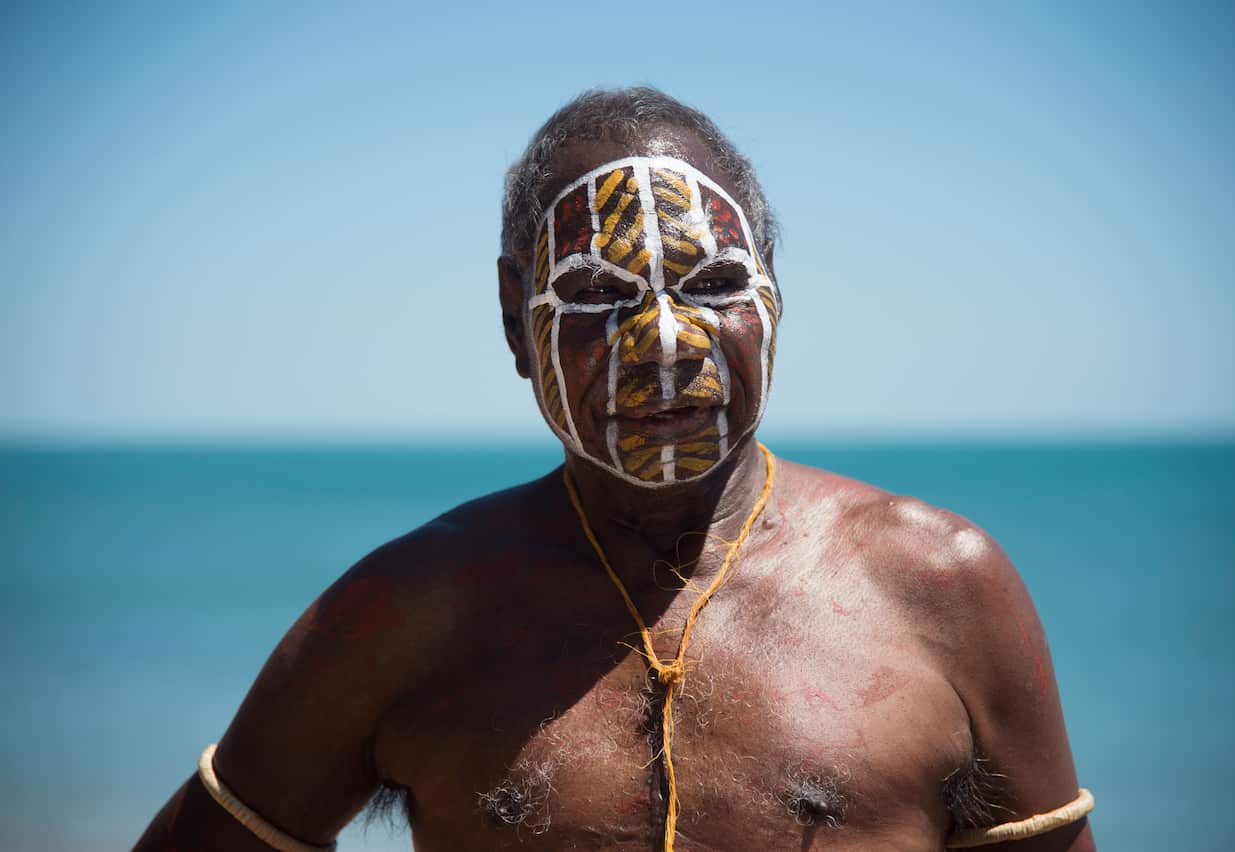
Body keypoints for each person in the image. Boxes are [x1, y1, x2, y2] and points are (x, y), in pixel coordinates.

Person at [136, 87, 1094, 852]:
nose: (667, 343)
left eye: (716, 283)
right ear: (517, 324)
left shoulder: (940, 587)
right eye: (597, 293)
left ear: (774, 295)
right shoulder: (404, 612)